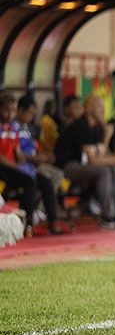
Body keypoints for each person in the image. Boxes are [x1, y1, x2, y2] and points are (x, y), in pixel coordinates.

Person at [55, 95, 115, 229]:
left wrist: (106, 135)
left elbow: (102, 154)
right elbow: (94, 160)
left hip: (85, 165)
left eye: (103, 108)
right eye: (99, 108)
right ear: (88, 108)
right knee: (104, 171)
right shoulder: (81, 125)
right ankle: (108, 217)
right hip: (67, 166)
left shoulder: (98, 128)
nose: (103, 111)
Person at [16, 96, 68, 235]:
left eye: (34, 114)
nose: (32, 117)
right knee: (46, 178)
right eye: (30, 113)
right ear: (20, 111)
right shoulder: (13, 128)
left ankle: (42, 212)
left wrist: (45, 155)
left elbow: (34, 147)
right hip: (23, 166)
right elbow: (18, 154)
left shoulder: (27, 129)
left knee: (57, 174)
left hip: (33, 165)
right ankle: (38, 212)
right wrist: (36, 158)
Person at [0, 93, 37, 237]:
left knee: (43, 181)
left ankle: (42, 222)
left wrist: (31, 161)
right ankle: (26, 224)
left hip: (11, 167)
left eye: (13, 110)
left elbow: (18, 152)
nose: (10, 114)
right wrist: (17, 167)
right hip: (3, 167)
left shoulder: (13, 128)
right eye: (7, 110)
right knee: (28, 181)